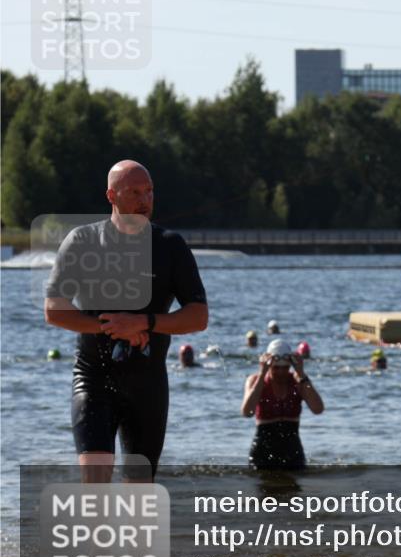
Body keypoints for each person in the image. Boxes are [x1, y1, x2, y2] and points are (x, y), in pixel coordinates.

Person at [44, 160, 209, 483]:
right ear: (111, 195)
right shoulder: (83, 242)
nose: (144, 200)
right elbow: (54, 309)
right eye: (134, 192)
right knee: (96, 479)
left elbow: (198, 316)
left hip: (147, 383)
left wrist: (144, 322)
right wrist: (111, 326)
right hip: (94, 378)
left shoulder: (169, 246)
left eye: (149, 191)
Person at [241, 339, 324, 470]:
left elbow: (318, 409)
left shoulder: (299, 381)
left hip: (292, 449)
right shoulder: (255, 381)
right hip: (263, 450)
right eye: (276, 368)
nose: (280, 372)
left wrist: (301, 373)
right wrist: (262, 374)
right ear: (268, 365)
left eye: (285, 368)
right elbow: (247, 412)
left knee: (295, 490)